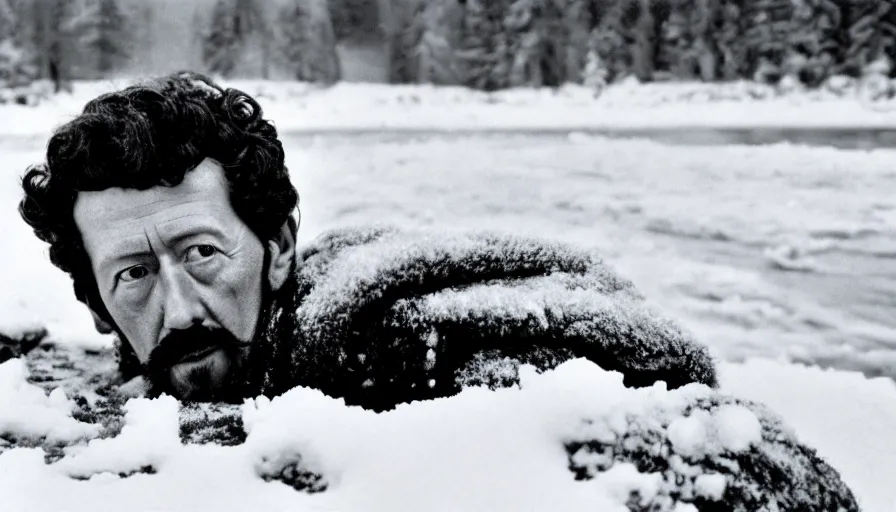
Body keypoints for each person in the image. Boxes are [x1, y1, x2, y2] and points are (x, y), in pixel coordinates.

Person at [15, 72, 860, 508]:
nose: (183, 307)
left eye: (202, 252)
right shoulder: (169, 374)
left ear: (275, 248)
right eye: (132, 275)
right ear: (96, 301)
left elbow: (758, 470)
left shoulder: (376, 343)